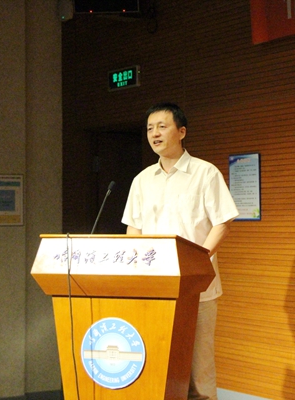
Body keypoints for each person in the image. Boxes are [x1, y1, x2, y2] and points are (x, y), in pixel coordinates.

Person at [122, 102, 239, 399]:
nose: (155, 133)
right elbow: (133, 229)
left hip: (197, 288)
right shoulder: (141, 180)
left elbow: (223, 223)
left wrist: (194, 263)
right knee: (158, 366)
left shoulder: (205, 173)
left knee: (199, 371)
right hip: (155, 288)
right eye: (150, 128)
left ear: (182, 132)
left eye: (162, 126)